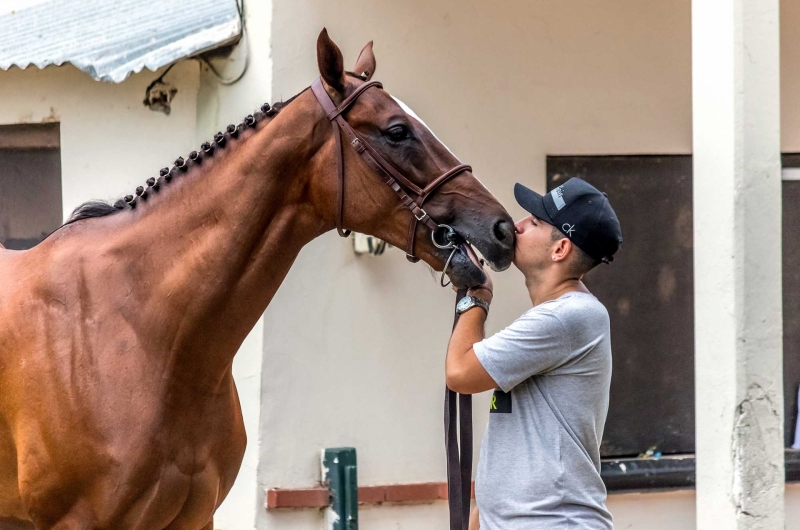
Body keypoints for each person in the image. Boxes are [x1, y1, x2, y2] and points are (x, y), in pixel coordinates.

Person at [445, 177, 623, 530]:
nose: (518, 225)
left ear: (560, 250)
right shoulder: (558, 317)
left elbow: (460, 373)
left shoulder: (567, 317)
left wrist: (477, 296)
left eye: (535, 222)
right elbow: (519, 439)